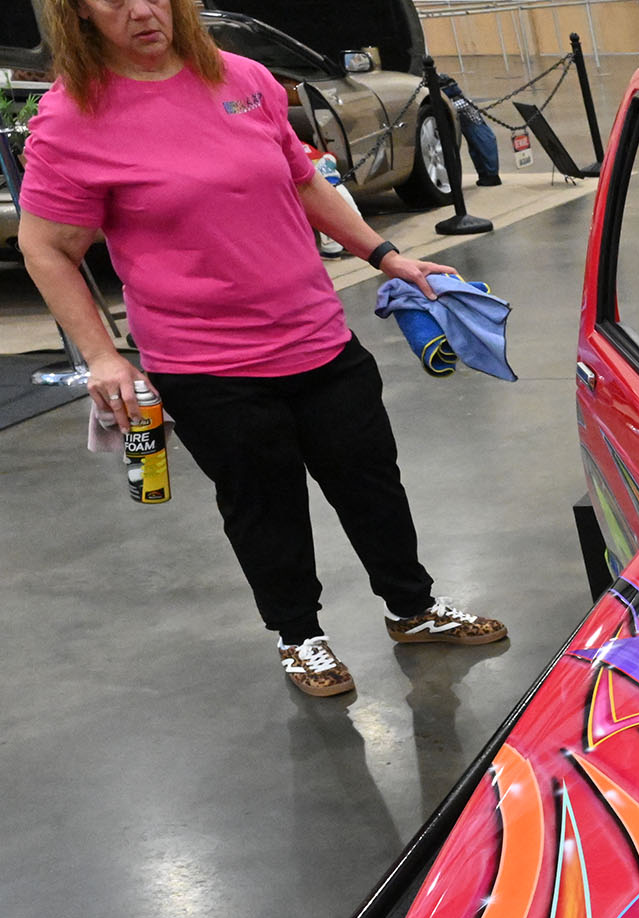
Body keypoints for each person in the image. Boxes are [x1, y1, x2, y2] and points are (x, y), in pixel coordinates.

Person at [16, 0, 507, 697]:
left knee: (371, 483)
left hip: (316, 334)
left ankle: (414, 608)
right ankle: (299, 636)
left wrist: (385, 255)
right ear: (80, 14)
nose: (141, 10)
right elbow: (45, 247)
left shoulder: (242, 78)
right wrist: (102, 355)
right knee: (264, 506)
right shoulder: (73, 117)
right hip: (207, 363)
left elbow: (303, 181)